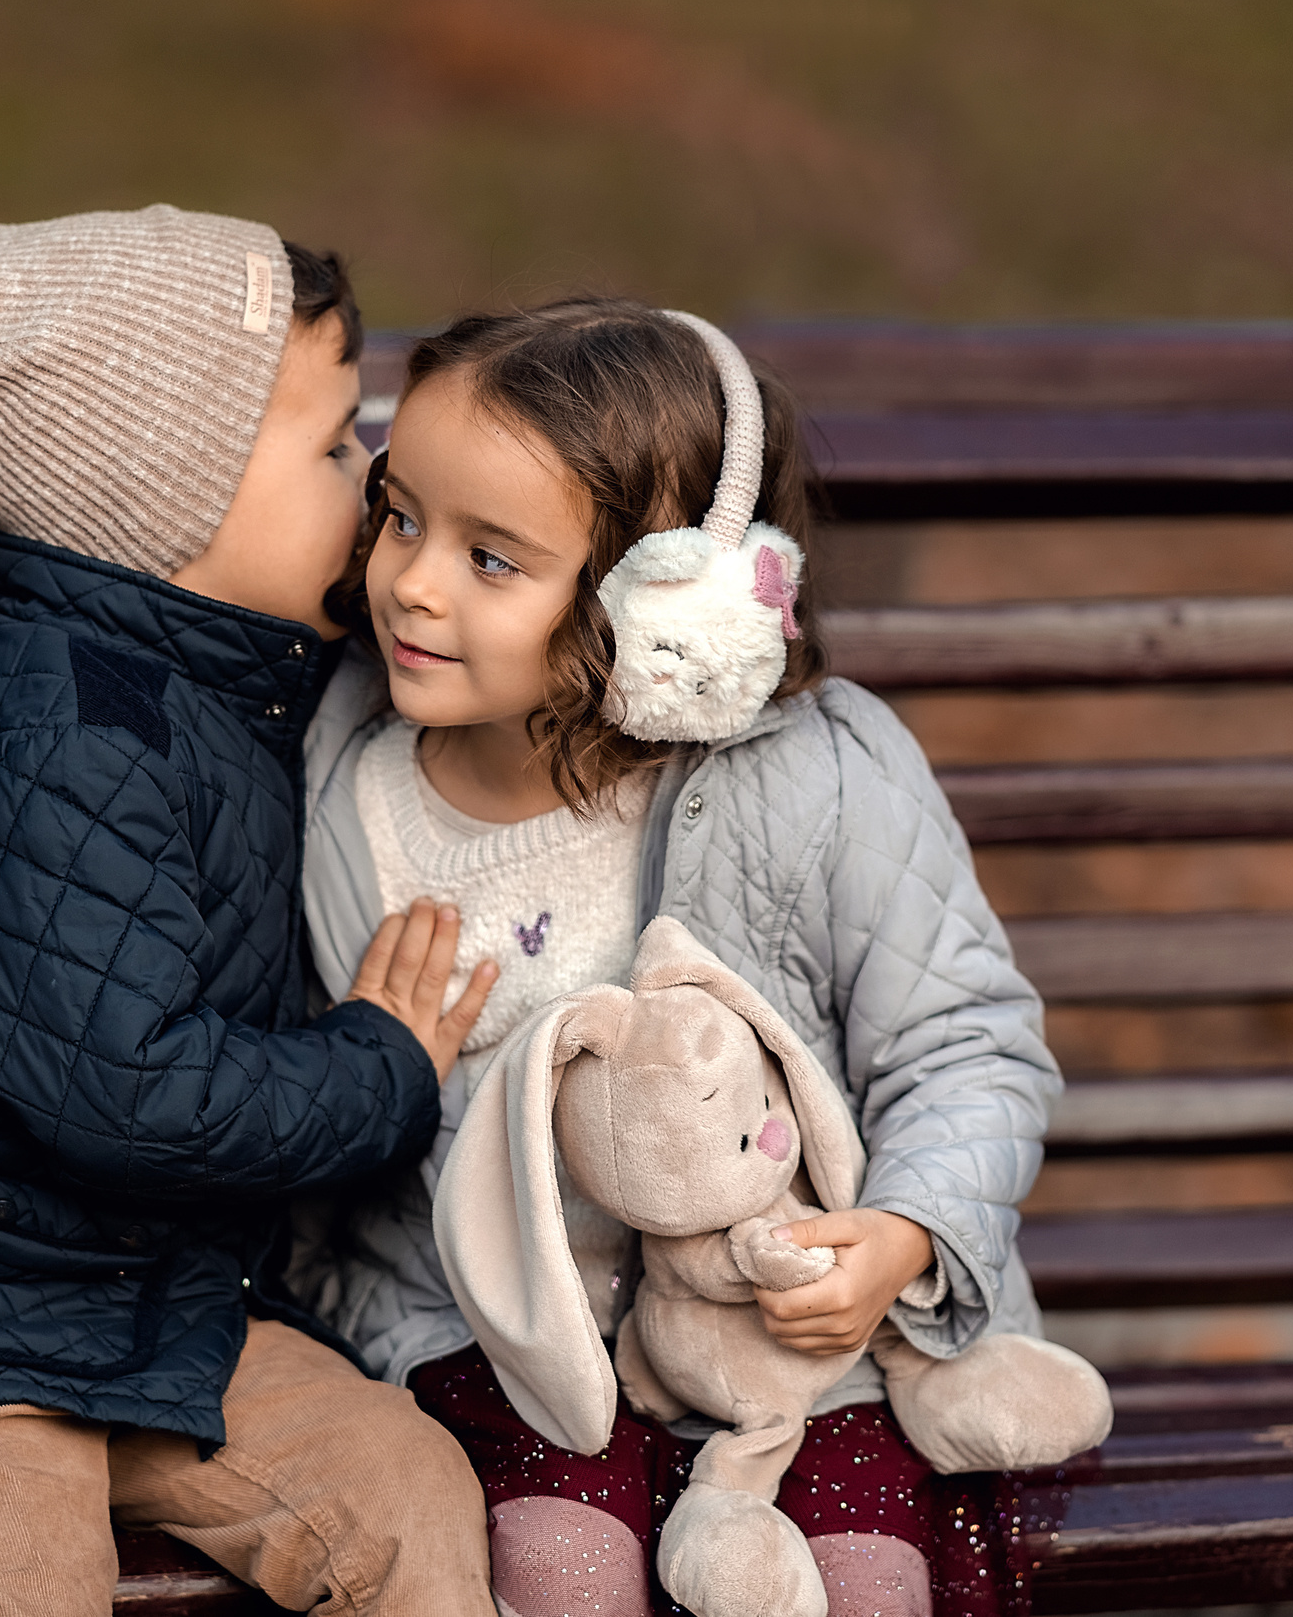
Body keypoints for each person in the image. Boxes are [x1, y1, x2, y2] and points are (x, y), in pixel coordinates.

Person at [0, 206, 501, 1617]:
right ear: (165, 506)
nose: (370, 476)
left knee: (406, 1494)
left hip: (163, 1313)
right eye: (329, 444)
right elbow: (135, 1092)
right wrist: (383, 1068)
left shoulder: (230, 678)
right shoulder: (58, 734)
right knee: (10, 1577)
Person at [294, 298, 1067, 1617]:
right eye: (402, 514)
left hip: (785, 1343)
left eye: (493, 558)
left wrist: (903, 1237)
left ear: (674, 606)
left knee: (865, 1584)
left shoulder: (822, 778)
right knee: (560, 1572)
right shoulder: (335, 794)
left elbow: (966, 1042)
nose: (412, 580)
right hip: (487, 1336)